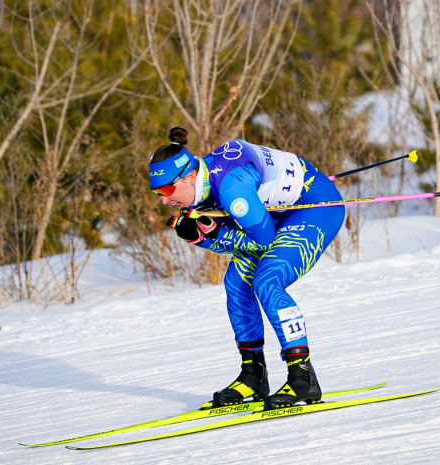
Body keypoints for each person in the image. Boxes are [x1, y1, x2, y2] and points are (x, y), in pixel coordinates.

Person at [148, 127, 345, 410]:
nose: (165, 201)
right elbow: (240, 233)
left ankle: (303, 377)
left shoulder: (231, 188)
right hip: (274, 213)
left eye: (168, 190)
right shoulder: (204, 183)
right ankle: (254, 375)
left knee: (267, 279)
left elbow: (260, 243)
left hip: (315, 208)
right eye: (158, 194)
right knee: (236, 283)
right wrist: (204, 235)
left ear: (190, 175)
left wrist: (208, 237)